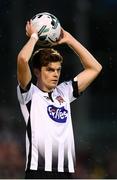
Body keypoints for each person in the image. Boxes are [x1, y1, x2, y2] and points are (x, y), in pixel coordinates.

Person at [17, 20, 102, 179]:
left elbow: (95, 68)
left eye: (58, 70)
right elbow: (22, 59)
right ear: (36, 71)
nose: (55, 74)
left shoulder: (64, 91)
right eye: (49, 70)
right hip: (39, 171)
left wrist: (69, 39)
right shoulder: (29, 93)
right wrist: (34, 37)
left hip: (66, 172)